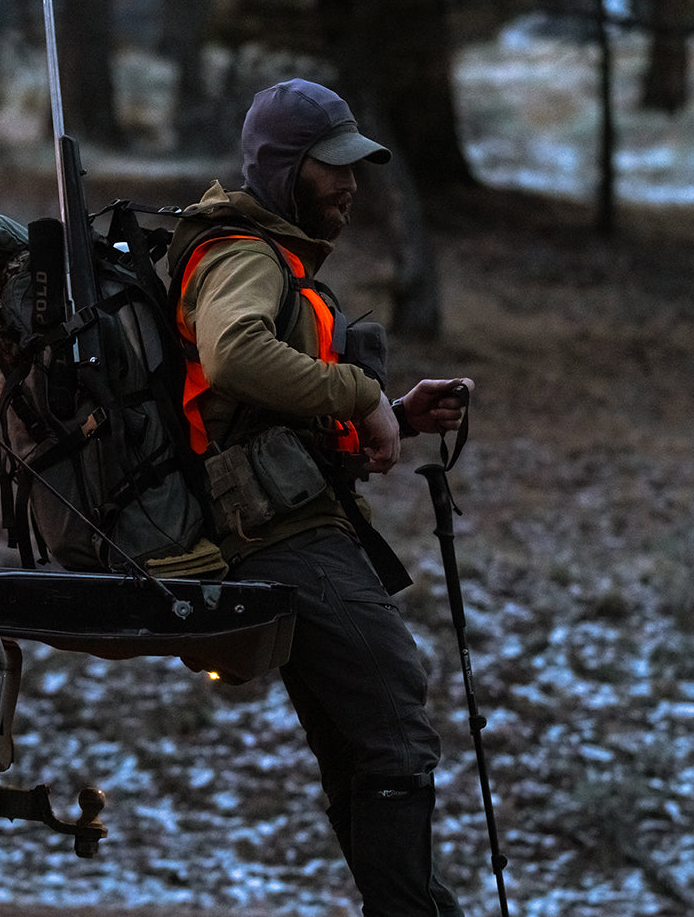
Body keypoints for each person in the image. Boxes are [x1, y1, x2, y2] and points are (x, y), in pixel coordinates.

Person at [168, 78, 472, 916]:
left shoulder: (272, 253)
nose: (349, 183)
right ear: (281, 167)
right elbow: (233, 360)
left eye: (353, 166)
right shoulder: (240, 254)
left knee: (362, 733)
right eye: (332, 167)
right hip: (273, 529)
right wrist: (358, 395)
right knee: (393, 714)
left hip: (295, 514)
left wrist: (397, 414)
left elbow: (261, 408)